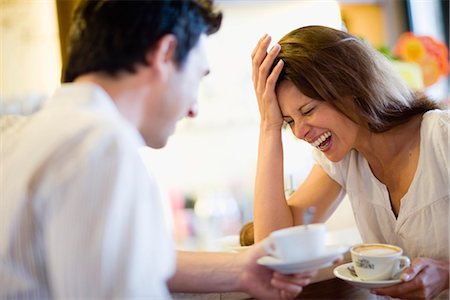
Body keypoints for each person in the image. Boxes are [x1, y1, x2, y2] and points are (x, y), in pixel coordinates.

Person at [0, 1, 317, 299]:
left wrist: (240, 269)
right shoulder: (102, 145)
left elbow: (126, 257)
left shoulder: (16, 133)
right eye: (197, 77)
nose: (193, 108)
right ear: (165, 53)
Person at [251, 25, 449, 299]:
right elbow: (273, 246)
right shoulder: (344, 160)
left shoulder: (442, 137)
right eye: (289, 122)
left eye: (307, 110)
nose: (298, 132)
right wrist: (268, 126)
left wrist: (446, 274)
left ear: (351, 88)